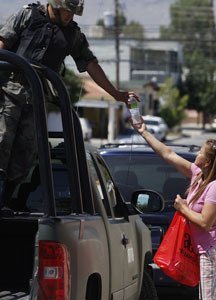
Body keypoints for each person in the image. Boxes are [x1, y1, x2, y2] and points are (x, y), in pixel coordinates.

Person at [0, 0, 138, 209]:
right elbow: (3, 43)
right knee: (2, 140)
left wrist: (116, 94)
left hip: (38, 100)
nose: (71, 17)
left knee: (26, 153)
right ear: (55, 5)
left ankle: (6, 201)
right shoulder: (28, 16)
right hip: (9, 92)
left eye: (74, 13)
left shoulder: (72, 34)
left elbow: (90, 64)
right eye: (68, 12)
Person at [131, 117, 216, 300]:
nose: (197, 154)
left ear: (207, 162)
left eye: (200, 152)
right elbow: (168, 154)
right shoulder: (198, 175)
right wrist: (144, 132)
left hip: (214, 252)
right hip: (203, 251)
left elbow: (205, 222)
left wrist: (182, 207)